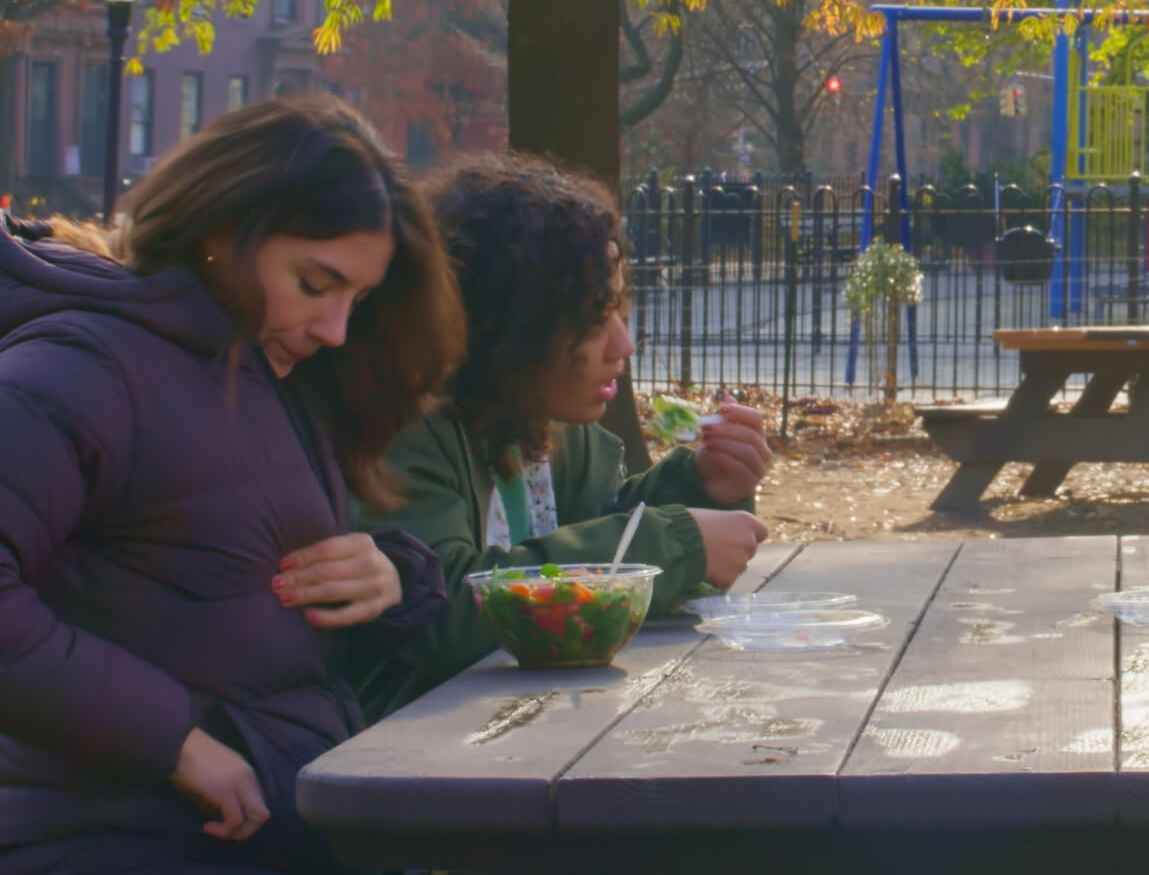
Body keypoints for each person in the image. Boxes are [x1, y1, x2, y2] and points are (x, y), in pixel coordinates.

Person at [0, 97, 465, 872]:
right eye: (315, 283)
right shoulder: (83, 367)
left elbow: (205, 569)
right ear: (224, 232)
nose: (335, 329)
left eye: (358, 297)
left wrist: (389, 574)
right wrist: (169, 742)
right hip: (112, 838)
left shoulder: (261, 365)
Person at [350, 152, 771, 723]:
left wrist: (701, 487)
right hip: (406, 758)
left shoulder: (550, 425)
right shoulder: (403, 430)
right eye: (593, 317)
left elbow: (596, 524)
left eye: (618, 308)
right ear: (511, 325)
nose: (622, 345)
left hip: (538, 732)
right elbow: (442, 613)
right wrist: (671, 542)